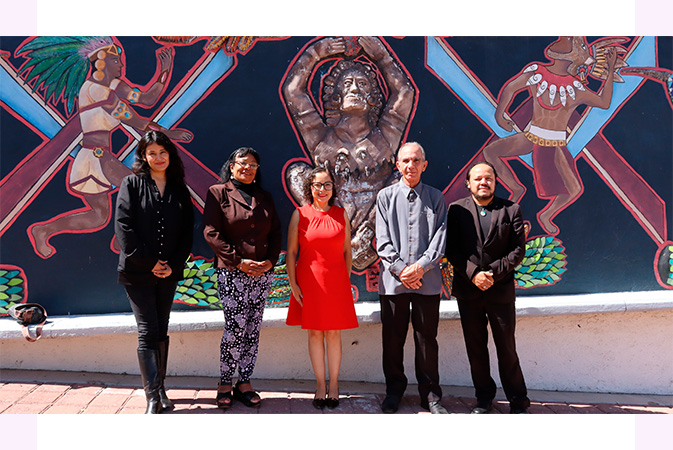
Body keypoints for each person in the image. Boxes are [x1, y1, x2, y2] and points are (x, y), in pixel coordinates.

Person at [282, 36, 415, 270]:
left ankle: (364, 238)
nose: (354, 89)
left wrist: (383, 57)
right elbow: (293, 92)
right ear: (336, 97)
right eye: (347, 84)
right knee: (297, 173)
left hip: (370, 227)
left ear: (372, 97)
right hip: (334, 221)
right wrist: (314, 53)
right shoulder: (320, 138)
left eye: (362, 84)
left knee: (399, 180)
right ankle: (323, 225)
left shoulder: (385, 137)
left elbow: (404, 93)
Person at [114, 130, 194, 414]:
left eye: (163, 152)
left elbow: (187, 231)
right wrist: (150, 262)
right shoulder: (132, 183)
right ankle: (152, 398)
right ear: (144, 156)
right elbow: (123, 226)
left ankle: (160, 389)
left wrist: (173, 263)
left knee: (161, 328)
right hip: (138, 270)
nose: (158, 158)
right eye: (152, 153)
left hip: (168, 271)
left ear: (170, 155)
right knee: (147, 330)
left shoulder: (179, 188)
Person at [445, 161, 530, 414]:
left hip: (500, 291)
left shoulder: (511, 210)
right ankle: (484, 398)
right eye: (478, 178)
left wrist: (491, 273)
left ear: (495, 181)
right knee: (476, 349)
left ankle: (518, 400)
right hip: (469, 292)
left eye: (488, 178)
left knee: (507, 349)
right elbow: (451, 249)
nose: (483, 182)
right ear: (468, 183)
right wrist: (474, 274)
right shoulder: (456, 210)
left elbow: (518, 251)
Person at [203, 147, 282, 409]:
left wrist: (270, 261)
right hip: (232, 271)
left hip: (262, 272)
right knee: (235, 327)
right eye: (242, 163)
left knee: (252, 327)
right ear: (232, 166)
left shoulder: (265, 197)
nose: (247, 168)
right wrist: (238, 262)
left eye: (253, 164)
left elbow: (276, 233)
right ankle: (225, 381)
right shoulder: (218, 193)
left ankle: (244, 381)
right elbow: (211, 232)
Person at [375, 142, 448, 414]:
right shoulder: (385, 197)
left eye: (416, 160)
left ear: (424, 165)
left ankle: (431, 396)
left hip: (427, 283)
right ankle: (394, 392)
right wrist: (401, 270)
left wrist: (420, 268)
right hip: (393, 284)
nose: (411, 165)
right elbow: (382, 240)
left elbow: (440, 238)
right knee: (393, 340)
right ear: (398, 165)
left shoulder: (436, 198)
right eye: (405, 160)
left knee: (426, 340)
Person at [285, 167, 358, 409]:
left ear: (333, 188)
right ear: (310, 188)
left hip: (336, 283)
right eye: (317, 185)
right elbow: (291, 253)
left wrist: (344, 280)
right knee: (315, 333)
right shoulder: (300, 215)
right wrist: (293, 284)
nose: (322, 189)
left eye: (327, 184)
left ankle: (334, 385)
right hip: (309, 282)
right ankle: (319, 385)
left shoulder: (341, 214)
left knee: (334, 333)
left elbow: (347, 251)